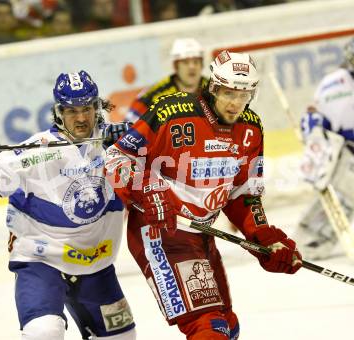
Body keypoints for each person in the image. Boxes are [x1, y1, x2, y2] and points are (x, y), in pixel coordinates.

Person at [104, 50, 302, 339]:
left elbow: (244, 193)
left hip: (202, 233)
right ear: (213, 87)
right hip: (162, 230)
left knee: (227, 325)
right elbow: (117, 159)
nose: (236, 104)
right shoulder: (171, 112)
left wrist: (261, 236)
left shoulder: (251, 129)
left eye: (244, 95)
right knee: (207, 326)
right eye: (229, 93)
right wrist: (149, 190)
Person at [0, 70, 136, 340]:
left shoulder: (117, 144)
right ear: (58, 112)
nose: (81, 118)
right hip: (42, 260)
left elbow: (162, 153)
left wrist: (134, 142)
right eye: (72, 110)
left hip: (95, 265)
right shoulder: (37, 151)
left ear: (97, 108)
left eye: (86, 108)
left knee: (122, 338)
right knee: (44, 332)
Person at [296, 37, 354, 260]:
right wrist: (314, 129)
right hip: (346, 156)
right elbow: (314, 120)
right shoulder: (334, 85)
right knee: (345, 189)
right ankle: (314, 236)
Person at [126, 37, 209, 122]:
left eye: (196, 62)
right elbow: (130, 125)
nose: (192, 67)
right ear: (176, 66)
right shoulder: (154, 94)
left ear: (202, 65)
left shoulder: (212, 90)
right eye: (185, 62)